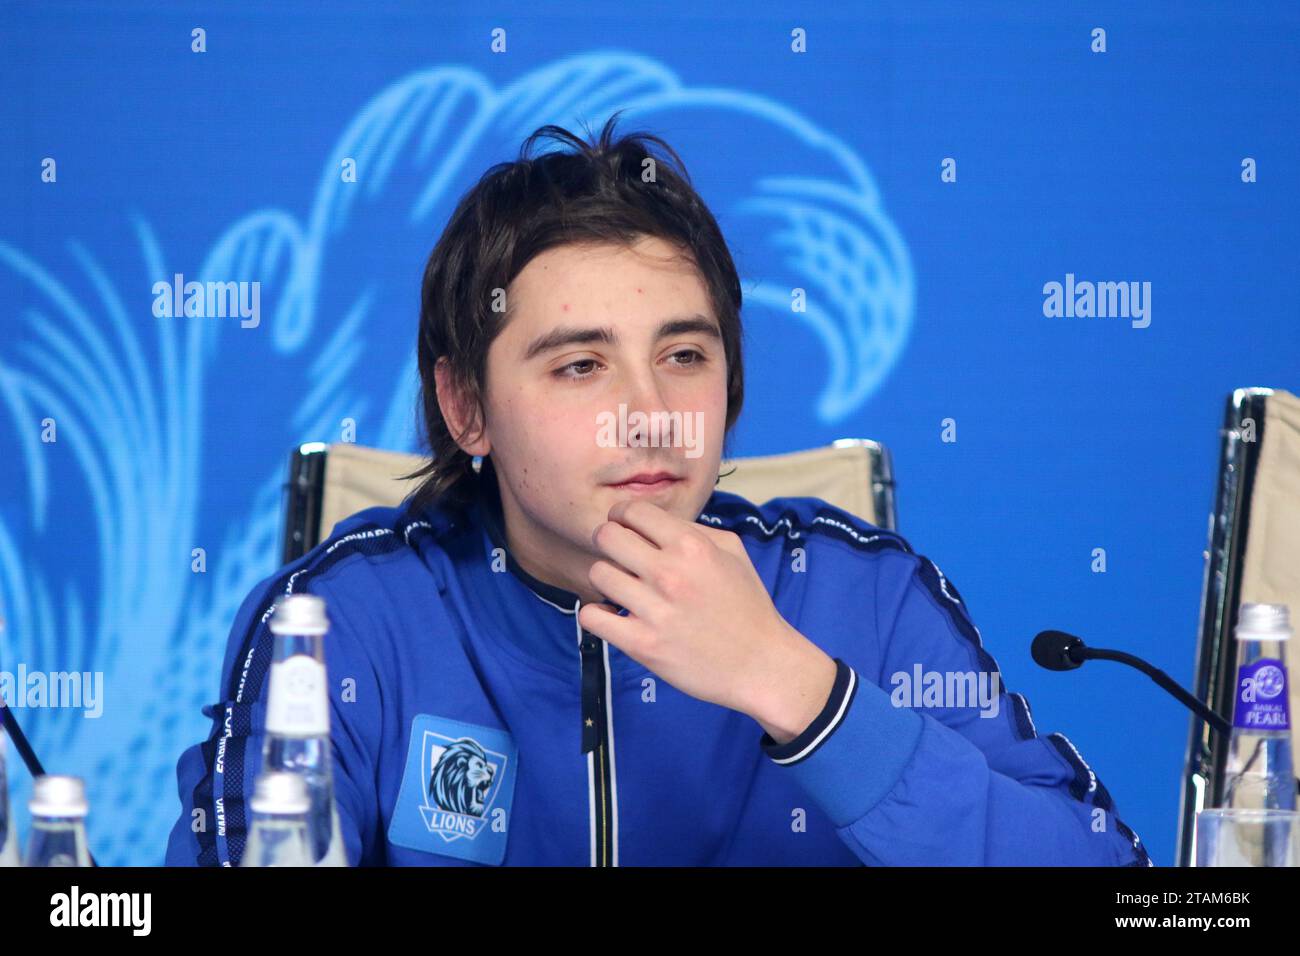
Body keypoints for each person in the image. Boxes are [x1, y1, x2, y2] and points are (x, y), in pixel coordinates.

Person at [165, 112, 1152, 866]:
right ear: (466, 406)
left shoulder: (866, 593)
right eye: (579, 366)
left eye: (683, 352)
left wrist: (799, 690)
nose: (649, 413)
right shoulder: (340, 620)